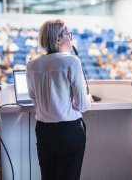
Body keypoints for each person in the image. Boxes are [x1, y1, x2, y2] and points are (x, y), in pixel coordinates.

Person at [26, 19, 91, 180]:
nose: (70, 38)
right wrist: (87, 99)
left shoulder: (32, 65)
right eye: (68, 34)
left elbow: (33, 97)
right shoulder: (71, 61)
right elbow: (82, 105)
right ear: (58, 39)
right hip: (69, 131)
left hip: (43, 131)